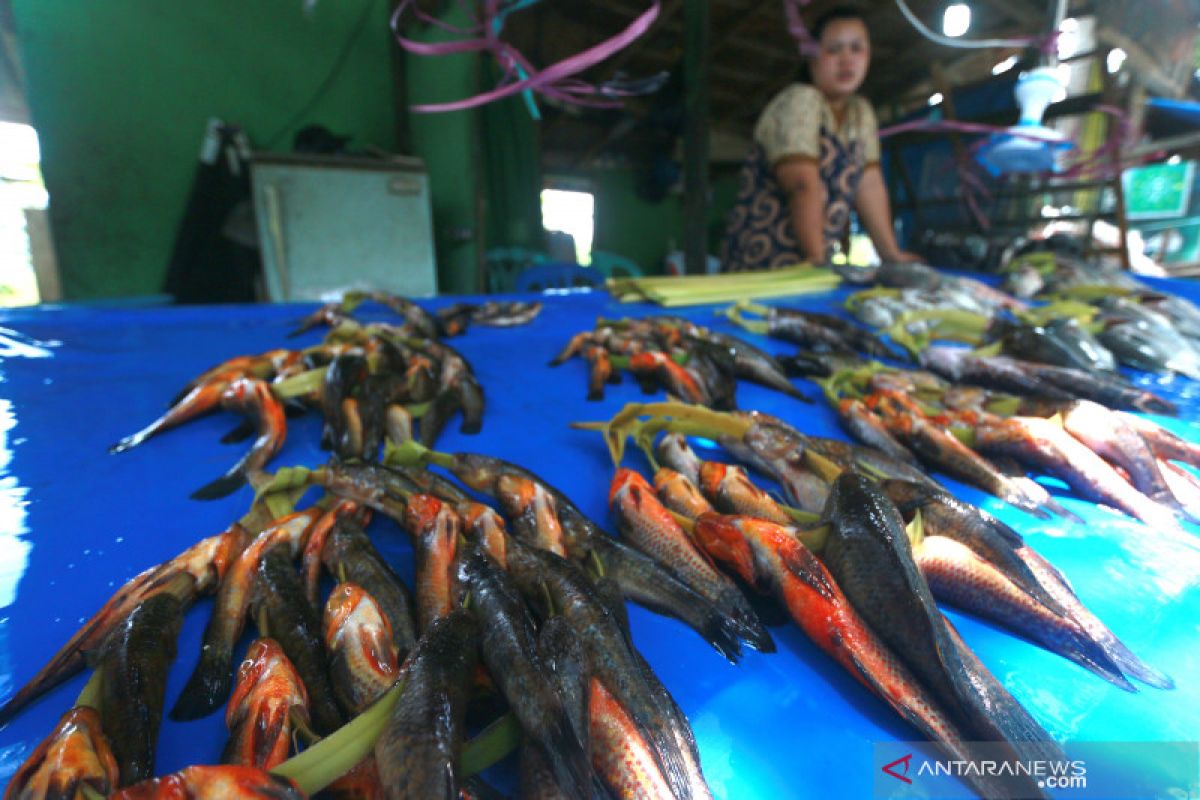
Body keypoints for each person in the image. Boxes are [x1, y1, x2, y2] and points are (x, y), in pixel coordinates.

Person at [721, 5, 920, 271]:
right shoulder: (800, 101)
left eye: (856, 48)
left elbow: (869, 186)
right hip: (764, 265)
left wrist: (891, 254)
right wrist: (816, 259)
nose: (846, 60)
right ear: (811, 57)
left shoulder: (861, 113)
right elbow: (803, 185)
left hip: (811, 265)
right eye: (834, 49)